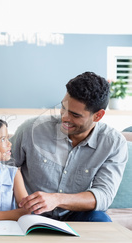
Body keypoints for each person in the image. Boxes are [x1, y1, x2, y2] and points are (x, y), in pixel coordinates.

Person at [11, 71, 128, 222]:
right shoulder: (32, 129)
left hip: (76, 214)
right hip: (30, 213)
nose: (65, 117)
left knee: (101, 219)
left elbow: (103, 195)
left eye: (75, 115)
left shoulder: (113, 143)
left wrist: (57, 199)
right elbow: (1, 169)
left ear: (98, 115)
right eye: (63, 108)